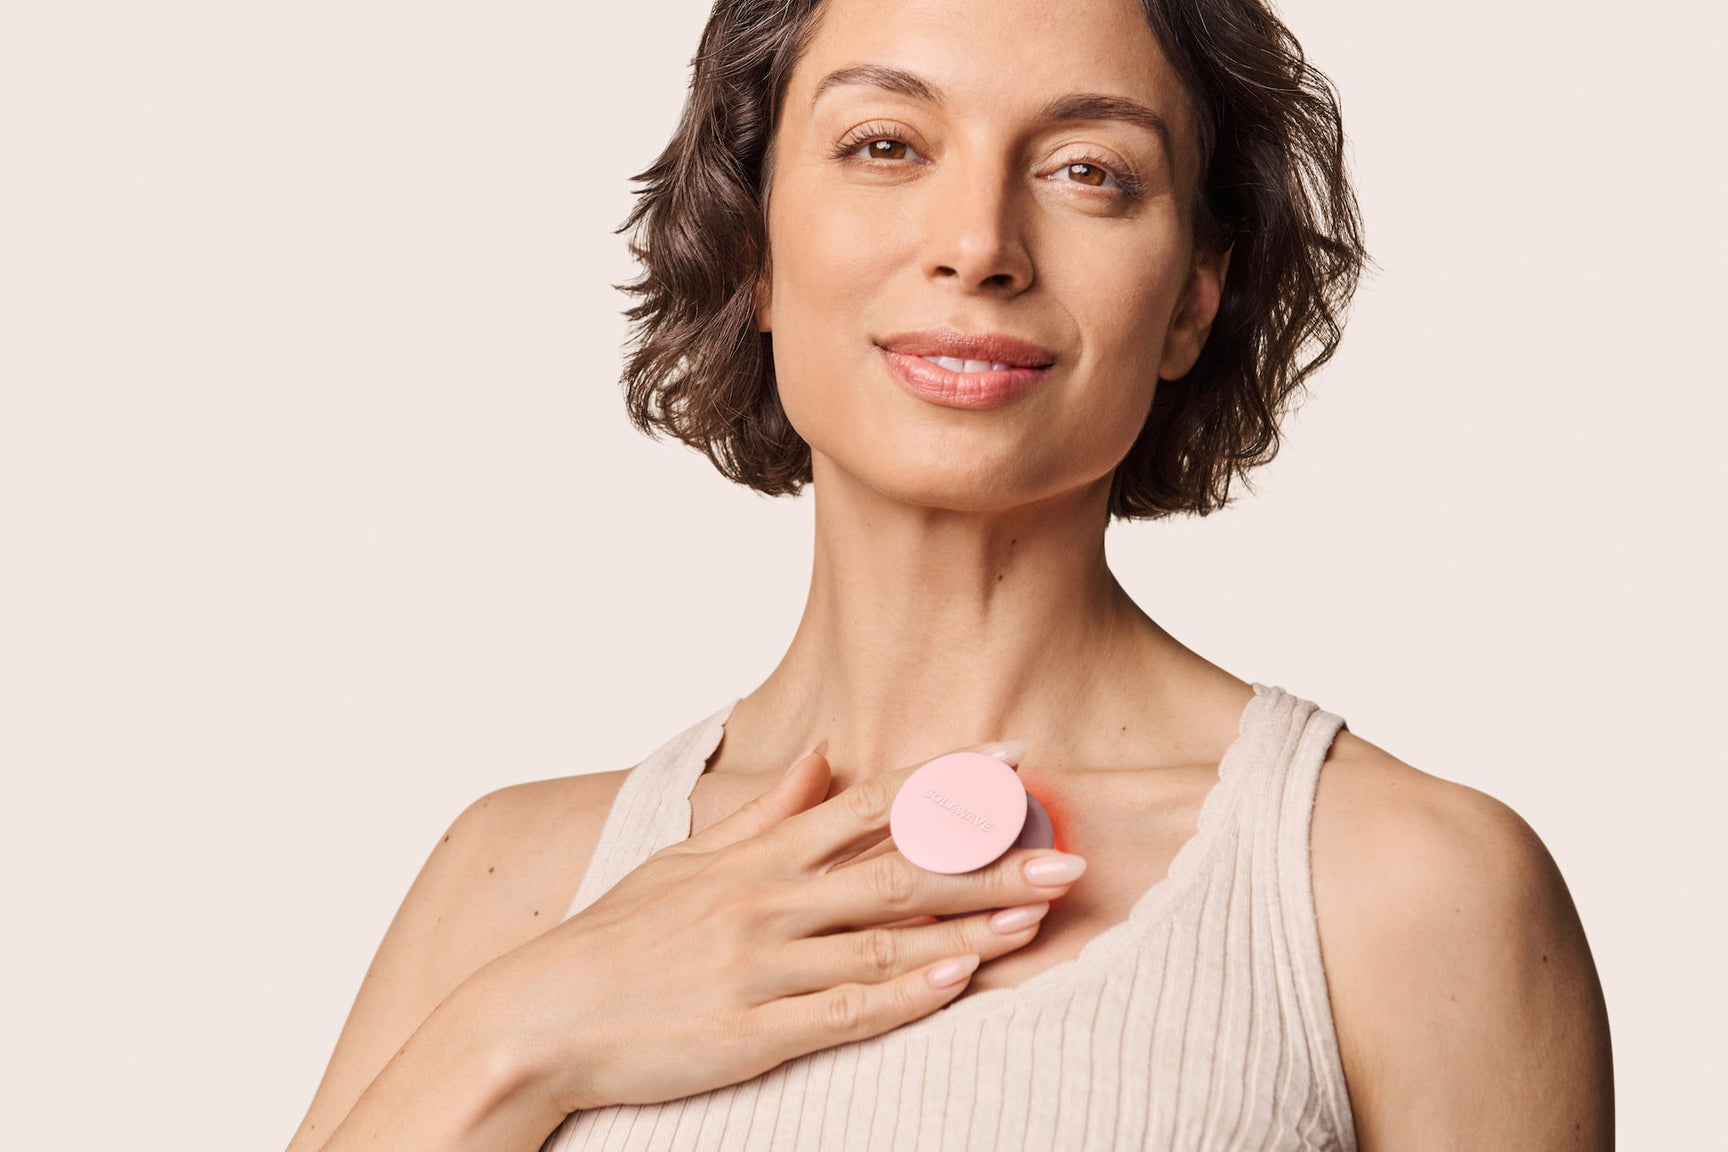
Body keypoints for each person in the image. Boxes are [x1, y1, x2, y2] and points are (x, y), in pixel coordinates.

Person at [285, 0, 1614, 1148]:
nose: (978, 242)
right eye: (885, 146)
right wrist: (524, 1035)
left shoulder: (1400, 891)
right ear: (750, 246)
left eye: (1091, 170)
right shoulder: (516, 880)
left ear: (1195, 300)